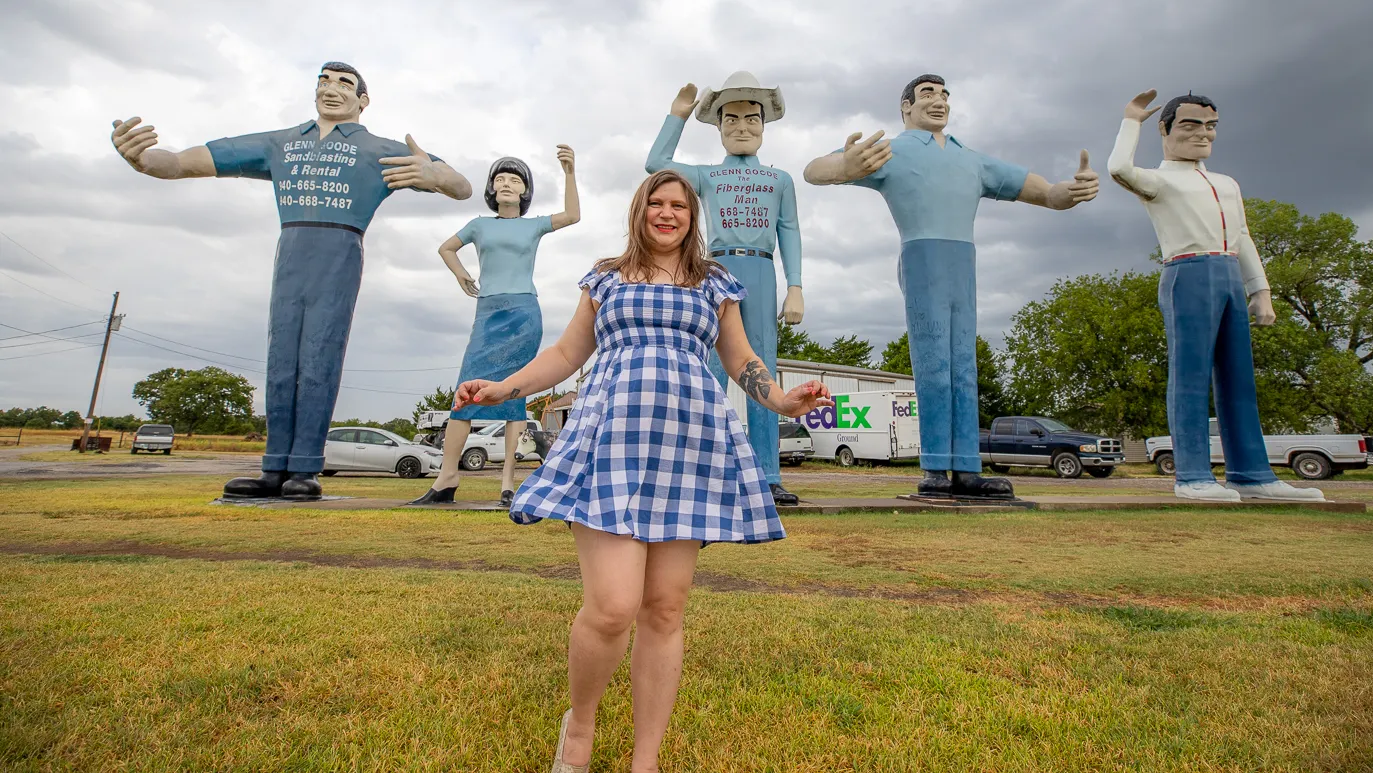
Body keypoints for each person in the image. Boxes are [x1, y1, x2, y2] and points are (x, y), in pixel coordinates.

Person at [452, 170, 832, 773]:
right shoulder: (606, 276)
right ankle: (579, 728)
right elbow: (567, 354)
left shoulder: (714, 283)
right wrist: (503, 387)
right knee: (612, 606)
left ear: (692, 215)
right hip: (611, 444)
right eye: (655, 202)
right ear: (639, 210)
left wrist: (784, 401)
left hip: (690, 447)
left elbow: (741, 359)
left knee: (664, 607)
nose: (667, 213)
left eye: (678, 204)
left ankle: (645, 760)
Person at [110, 62, 471, 500]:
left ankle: (305, 466)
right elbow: (184, 162)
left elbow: (461, 185)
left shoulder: (379, 149)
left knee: (320, 355)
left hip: (340, 249)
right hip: (291, 250)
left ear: (363, 100)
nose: (331, 89)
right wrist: (144, 160)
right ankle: (273, 467)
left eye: (344, 83)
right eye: (323, 80)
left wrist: (438, 178)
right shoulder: (280, 143)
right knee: (281, 358)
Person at [804, 73, 1099, 499]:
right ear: (906, 107)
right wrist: (846, 167)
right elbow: (815, 170)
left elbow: (1041, 191)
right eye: (927, 94)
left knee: (964, 365)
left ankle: (967, 468)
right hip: (923, 255)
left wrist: (1064, 192)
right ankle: (936, 468)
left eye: (944, 94)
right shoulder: (892, 150)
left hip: (964, 260)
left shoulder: (971, 159)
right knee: (933, 366)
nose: (938, 100)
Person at [1107, 89, 1324, 501]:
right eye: (1190, 125)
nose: (1203, 133)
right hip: (1187, 273)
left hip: (1228, 273)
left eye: (1210, 126)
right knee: (1189, 378)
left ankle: (1252, 473)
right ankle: (1192, 475)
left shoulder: (1226, 183)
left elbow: (1241, 236)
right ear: (1166, 129)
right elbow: (1118, 168)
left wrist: (1260, 289)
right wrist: (1130, 121)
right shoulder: (1160, 179)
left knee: (1239, 379)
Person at [645, 72, 806, 505]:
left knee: (762, 369)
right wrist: (677, 116)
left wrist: (795, 286)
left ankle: (769, 474)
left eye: (751, 119)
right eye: (730, 120)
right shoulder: (707, 176)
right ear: (717, 129)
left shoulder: (780, 180)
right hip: (714, 272)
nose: (741, 128)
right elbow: (655, 164)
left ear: (765, 126)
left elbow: (788, 230)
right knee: (707, 372)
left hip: (760, 270)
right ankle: (705, 469)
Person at [410, 145, 581, 507]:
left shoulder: (534, 226)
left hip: (523, 313)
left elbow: (572, 215)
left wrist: (568, 172)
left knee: (513, 393)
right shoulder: (478, 225)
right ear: (491, 188)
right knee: (465, 391)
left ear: (524, 191)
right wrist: (461, 275)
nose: (506, 183)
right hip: (488, 313)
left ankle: (508, 484)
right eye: (499, 178)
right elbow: (446, 248)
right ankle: (447, 477)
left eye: (514, 179)